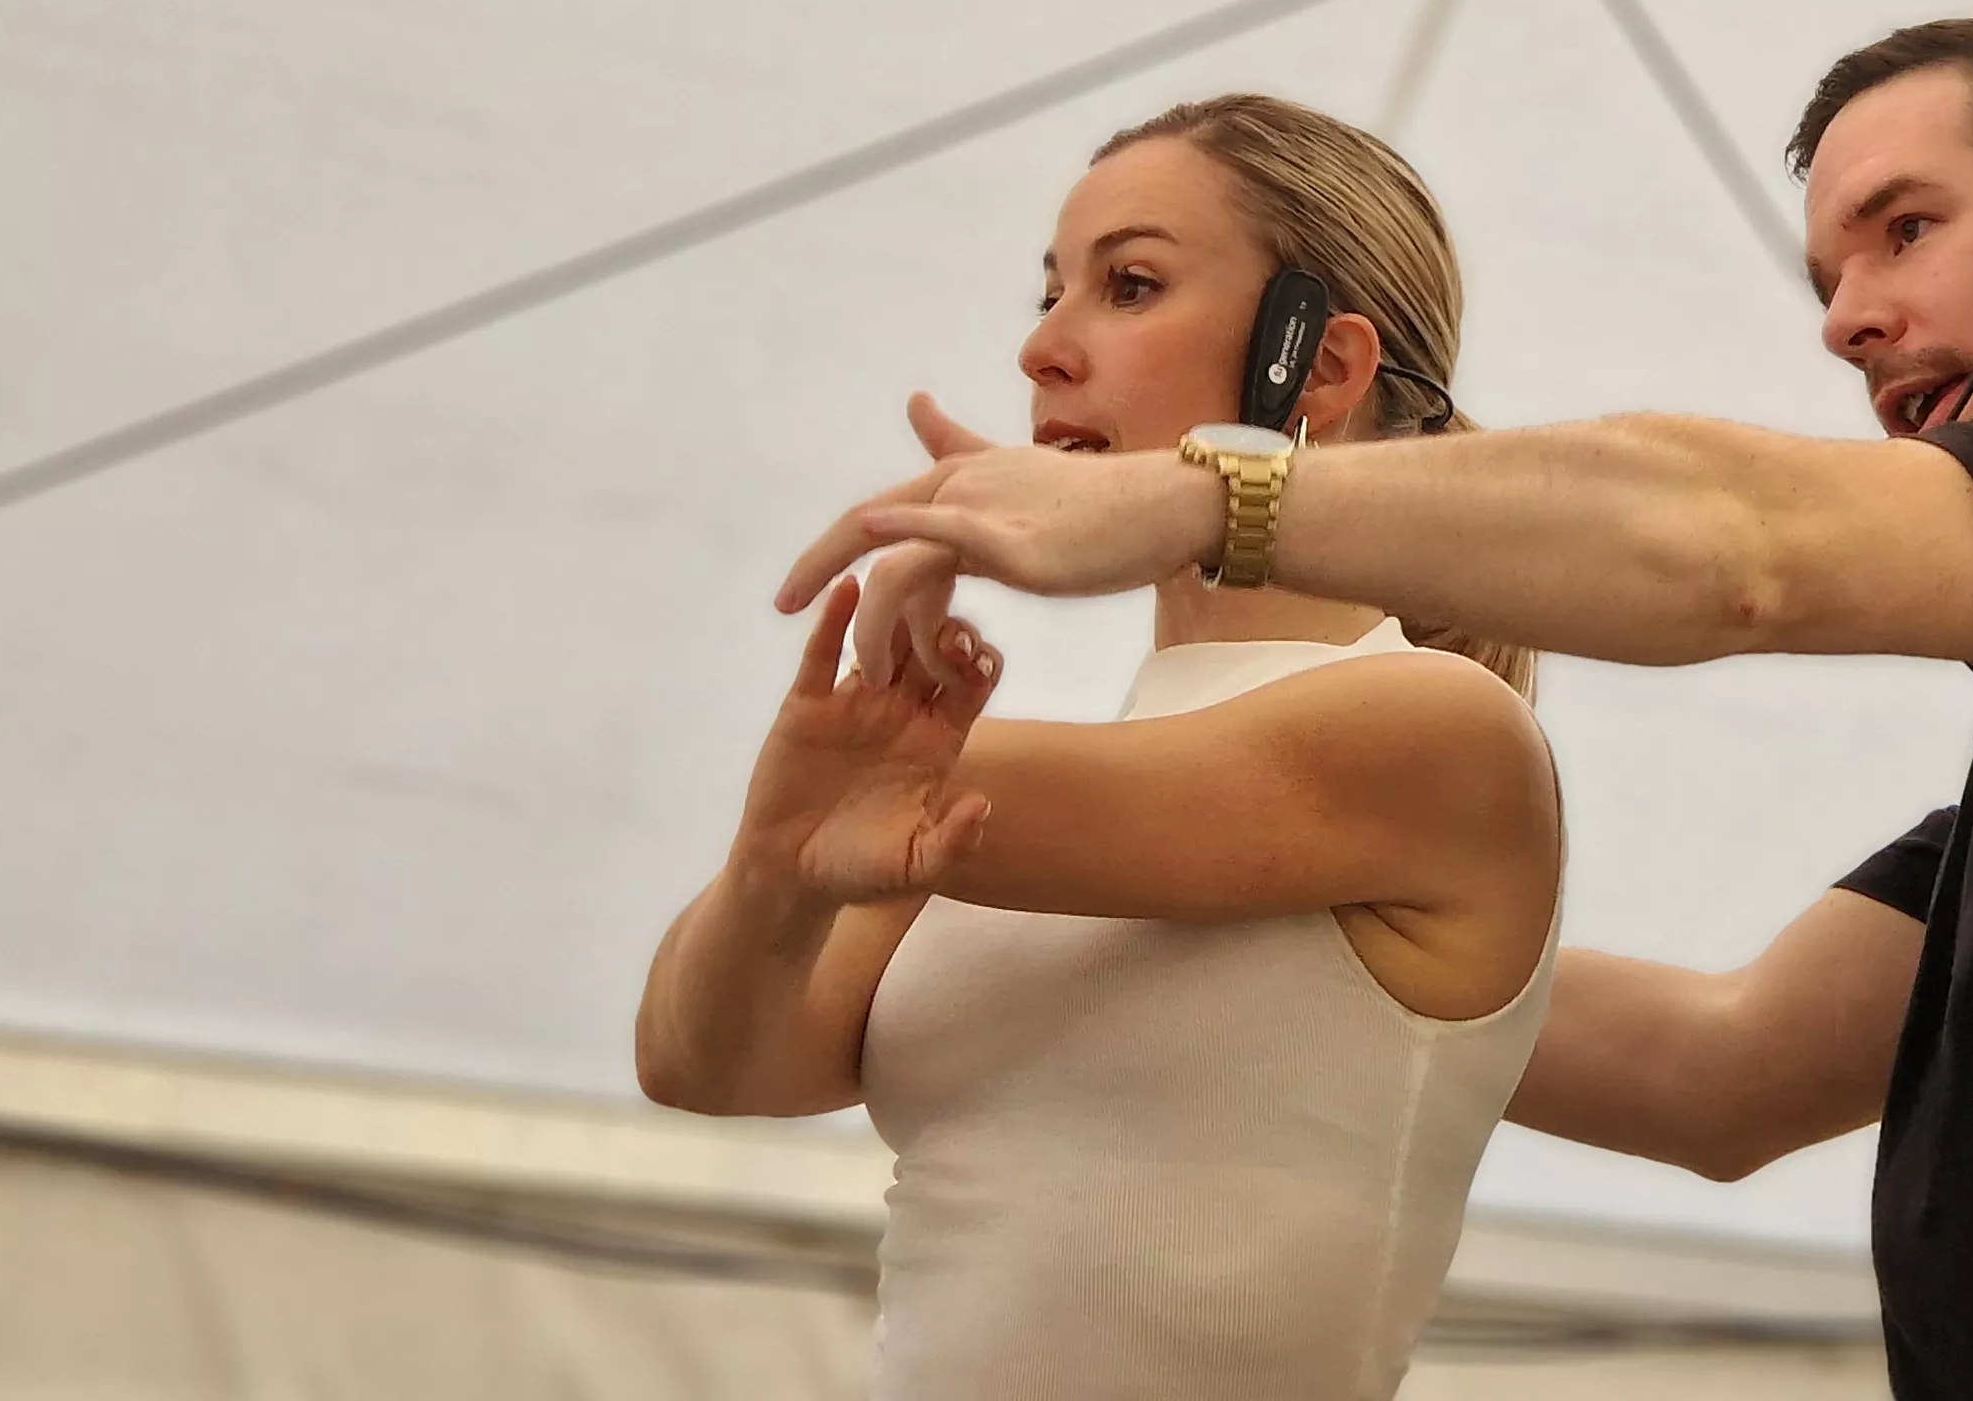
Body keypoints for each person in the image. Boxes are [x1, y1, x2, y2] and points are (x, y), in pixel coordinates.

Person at [790, 11, 1973, 1399]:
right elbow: (1716, 1074)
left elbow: (1733, 548)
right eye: (1826, 278)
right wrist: (1362, 931)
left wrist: (1195, 495)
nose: (1848, 321)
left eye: (1905, 232)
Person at [637, 94, 1565, 1401]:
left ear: (1321, 366)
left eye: (1129, 286)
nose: (1041, 348)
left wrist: (851, 771)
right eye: (1050, 290)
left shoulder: (1432, 727)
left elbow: (941, 810)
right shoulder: (1003, 801)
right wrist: (784, 866)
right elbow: (702, 1062)